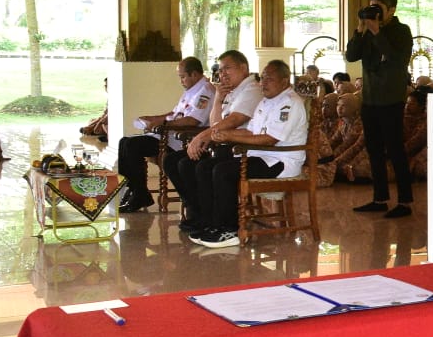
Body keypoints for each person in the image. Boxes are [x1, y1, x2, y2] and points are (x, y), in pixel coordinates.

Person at [188, 60, 310, 249]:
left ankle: (229, 229)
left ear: (285, 81)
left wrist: (230, 135)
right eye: (262, 78)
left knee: (223, 171)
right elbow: (251, 132)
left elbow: (270, 139)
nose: (264, 83)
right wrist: (223, 135)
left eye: (270, 79)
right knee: (205, 166)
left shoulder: (290, 103)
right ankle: (210, 223)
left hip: (279, 161)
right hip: (260, 155)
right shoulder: (265, 101)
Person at [170, 51, 264, 229]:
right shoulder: (231, 91)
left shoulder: (251, 89)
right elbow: (215, 123)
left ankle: (215, 220)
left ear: (243, 68)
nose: (223, 74)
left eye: (227, 68)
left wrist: (202, 136)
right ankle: (199, 212)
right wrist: (218, 99)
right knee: (174, 161)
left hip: (239, 147)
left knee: (199, 166)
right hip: (223, 144)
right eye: (220, 71)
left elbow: (235, 120)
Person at [345, 0, 415, 218]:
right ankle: (380, 198)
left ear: (392, 10)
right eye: (371, 5)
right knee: (374, 150)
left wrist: (377, 32)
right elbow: (351, 56)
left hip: (392, 100)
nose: (373, 11)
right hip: (370, 100)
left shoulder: (401, 32)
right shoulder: (366, 31)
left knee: (395, 151)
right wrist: (360, 29)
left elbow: (396, 59)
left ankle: (405, 202)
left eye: (379, 8)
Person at [116, 57, 215, 212]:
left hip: (181, 140)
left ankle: (139, 194)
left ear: (194, 74)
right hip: (168, 135)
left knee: (132, 146)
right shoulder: (191, 90)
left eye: (183, 77)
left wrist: (162, 125)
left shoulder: (205, 91)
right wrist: (153, 119)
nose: (181, 81)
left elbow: (192, 120)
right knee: (124, 142)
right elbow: (175, 114)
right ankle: (134, 189)